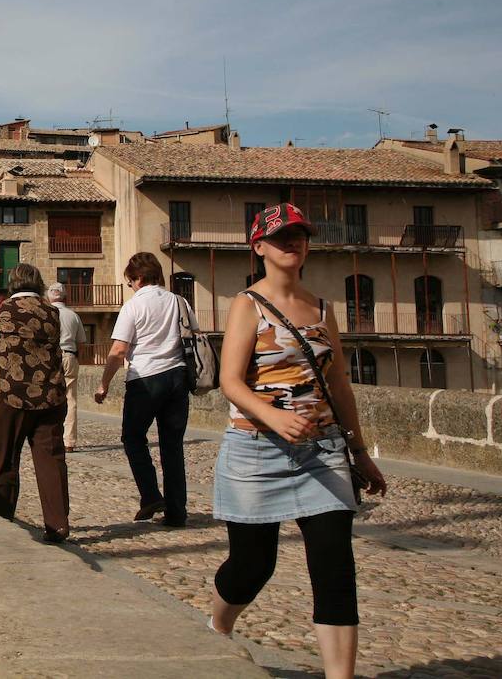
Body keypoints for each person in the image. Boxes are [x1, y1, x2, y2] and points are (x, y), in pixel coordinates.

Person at [208, 203, 387, 679]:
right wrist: (272, 416)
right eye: (282, 236)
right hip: (254, 451)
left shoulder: (323, 307)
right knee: (253, 565)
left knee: (334, 566)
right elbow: (230, 381)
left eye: (300, 235)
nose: (293, 243)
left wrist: (361, 452)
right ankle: (216, 629)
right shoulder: (247, 304)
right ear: (259, 246)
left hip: (322, 451)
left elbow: (341, 383)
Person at [94, 252, 192, 527]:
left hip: (145, 379)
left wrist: (104, 384)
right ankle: (176, 512)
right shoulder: (179, 301)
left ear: (137, 278)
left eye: (130, 281)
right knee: (172, 447)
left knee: (133, 438)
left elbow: (119, 349)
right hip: (177, 378)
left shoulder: (134, 306)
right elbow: (192, 336)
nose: (131, 286)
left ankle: (150, 495)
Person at [0, 263, 69, 542]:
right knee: (50, 460)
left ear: (12, 283)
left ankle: (1, 519)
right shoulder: (51, 312)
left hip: (9, 394)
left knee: (5, 459)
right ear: (38, 283)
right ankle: (57, 524)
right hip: (49, 396)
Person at [47, 282, 87, 452]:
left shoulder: (46, 314)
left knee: (48, 398)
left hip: (50, 357)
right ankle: (69, 442)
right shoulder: (73, 316)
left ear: (50, 297)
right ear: (65, 297)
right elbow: (81, 343)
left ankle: (50, 438)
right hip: (69, 355)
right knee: (70, 399)